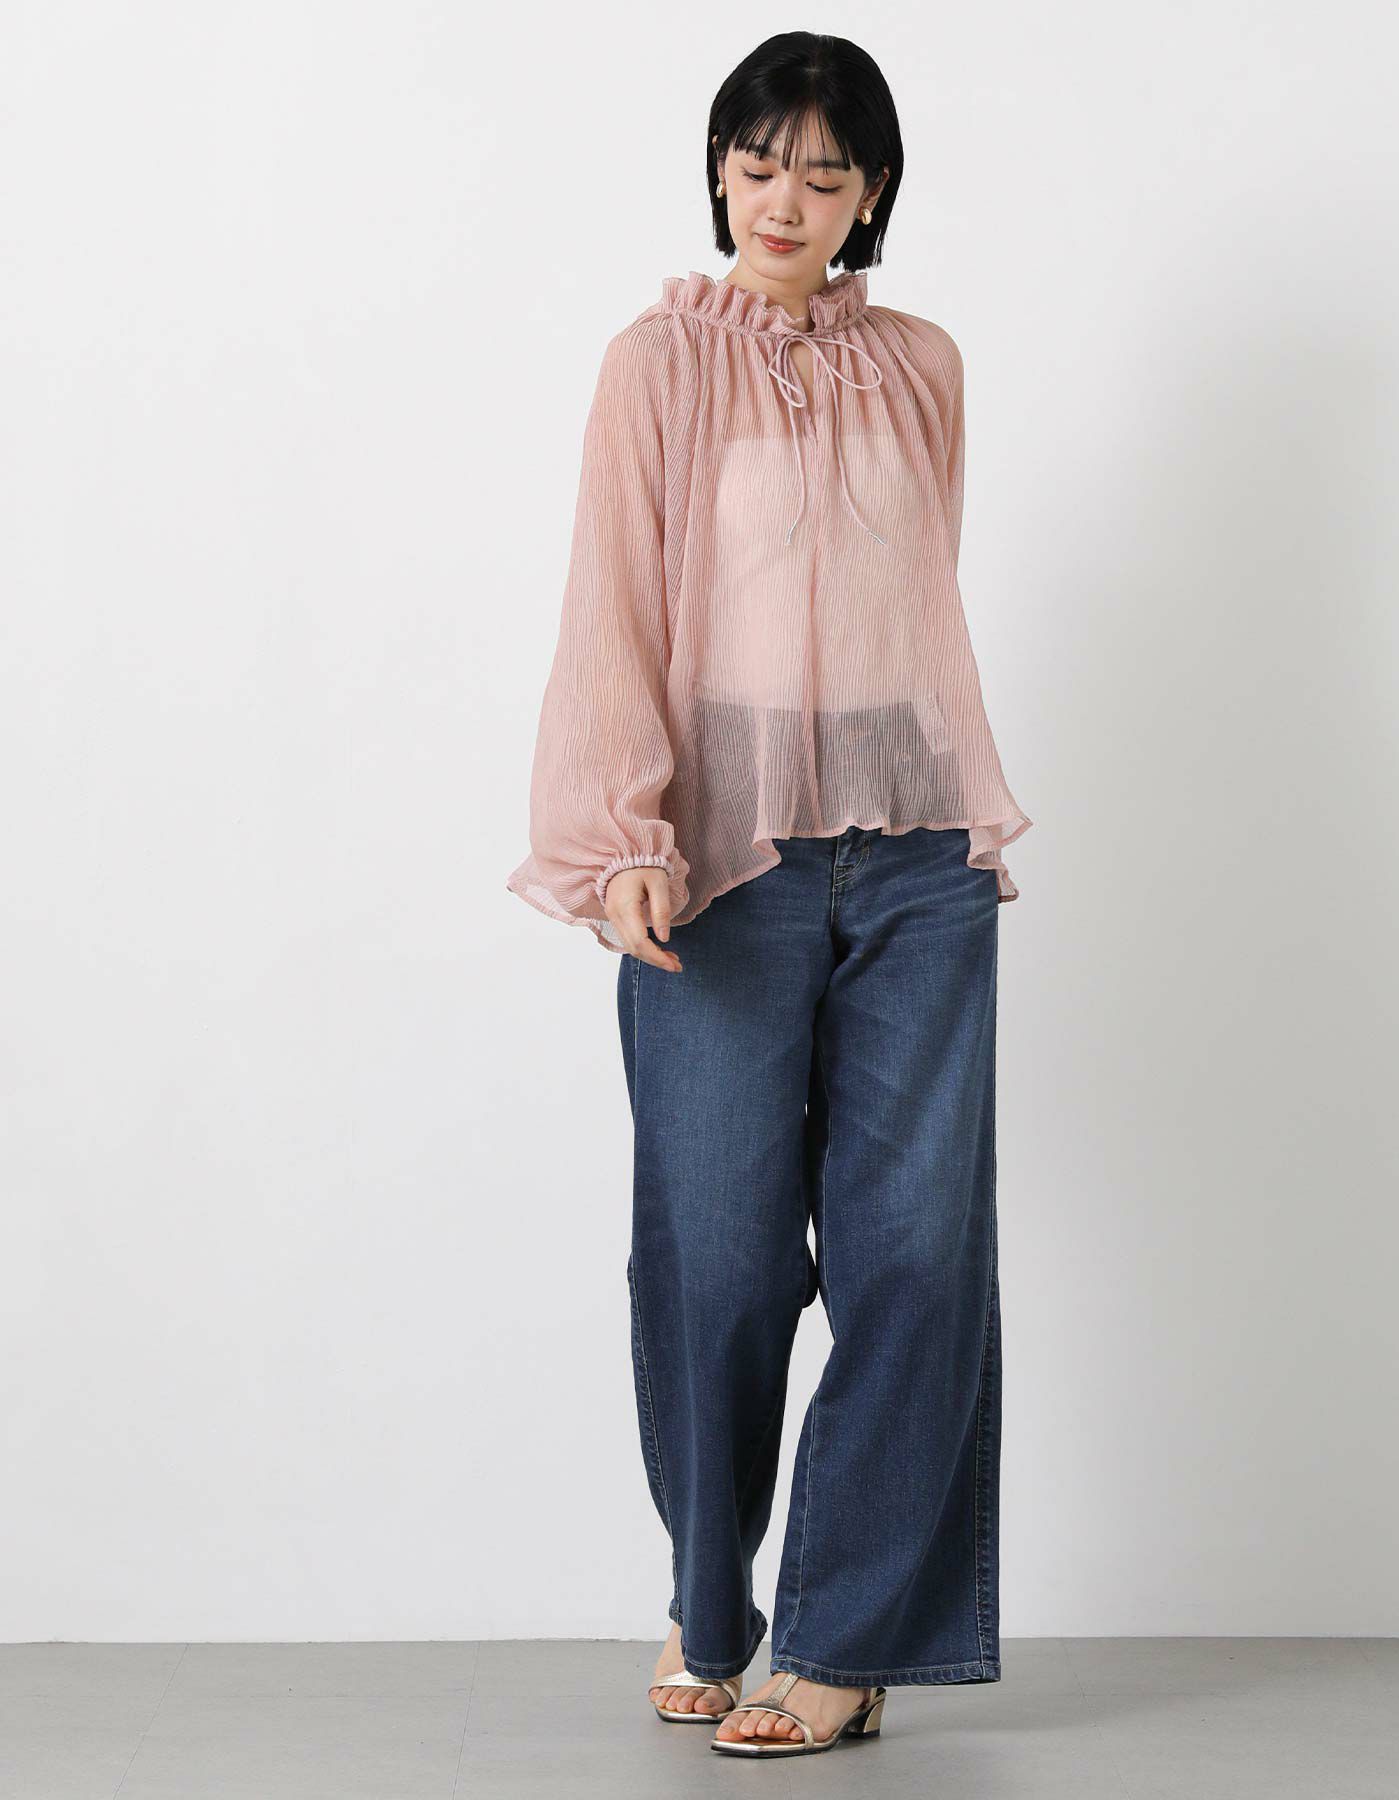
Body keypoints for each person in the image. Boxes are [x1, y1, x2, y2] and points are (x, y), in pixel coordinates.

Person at [507, 31, 1032, 1760]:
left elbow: (906, 604)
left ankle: (846, 1642)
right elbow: (614, 603)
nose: (783, 200)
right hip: (721, 857)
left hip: (920, 847)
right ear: (719, 173)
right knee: (720, 1259)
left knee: (916, 1257)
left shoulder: (924, 366)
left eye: (822, 171)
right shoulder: (657, 363)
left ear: (871, 190)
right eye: (755, 165)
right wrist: (621, 832)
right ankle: (710, 1601)